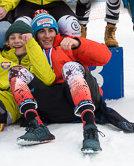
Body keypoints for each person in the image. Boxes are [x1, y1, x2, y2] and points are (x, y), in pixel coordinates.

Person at [9, 12, 110, 153]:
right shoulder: (29, 51)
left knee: (70, 66)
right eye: (42, 31)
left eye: (51, 30)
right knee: (15, 71)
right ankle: (37, 126)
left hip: (82, 96)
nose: (47, 35)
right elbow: (45, 79)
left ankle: (90, 130)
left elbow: (105, 56)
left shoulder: (67, 44)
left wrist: (78, 43)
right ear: (35, 34)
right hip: (54, 104)